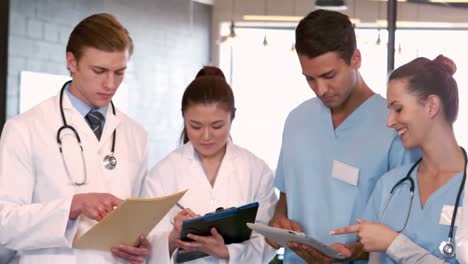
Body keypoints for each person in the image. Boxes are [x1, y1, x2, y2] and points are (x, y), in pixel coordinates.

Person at [268, 9, 420, 263]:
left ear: (356, 59)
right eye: (310, 79)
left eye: (329, 76)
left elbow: (407, 223)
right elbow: (284, 198)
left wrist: (352, 252)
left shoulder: (395, 128)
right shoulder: (296, 120)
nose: (320, 89)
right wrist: (277, 223)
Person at [0, 13, 151, 263]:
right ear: (72, 61)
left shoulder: (136, 135)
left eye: (120, 72)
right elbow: (4, 223)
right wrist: (72, 206)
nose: (110, 84)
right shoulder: (24, 129)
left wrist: (142, 243)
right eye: (99, 70)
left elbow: (139, 218)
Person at [331, 55, 466, 264]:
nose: (389, 121)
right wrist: (355, 251)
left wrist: (393, 243)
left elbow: (389, 244)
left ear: (431, 105)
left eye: (398, 109)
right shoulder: (390, 185)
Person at [143, 66, 278, 263]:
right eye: (195, 126)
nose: (206, 136)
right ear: (183, 118)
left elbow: (268, 239)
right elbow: (146, 244)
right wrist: (173, 237)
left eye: (217, 126)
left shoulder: (255, 170)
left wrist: (228, 252)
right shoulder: (163, 173)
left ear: (233, 117)